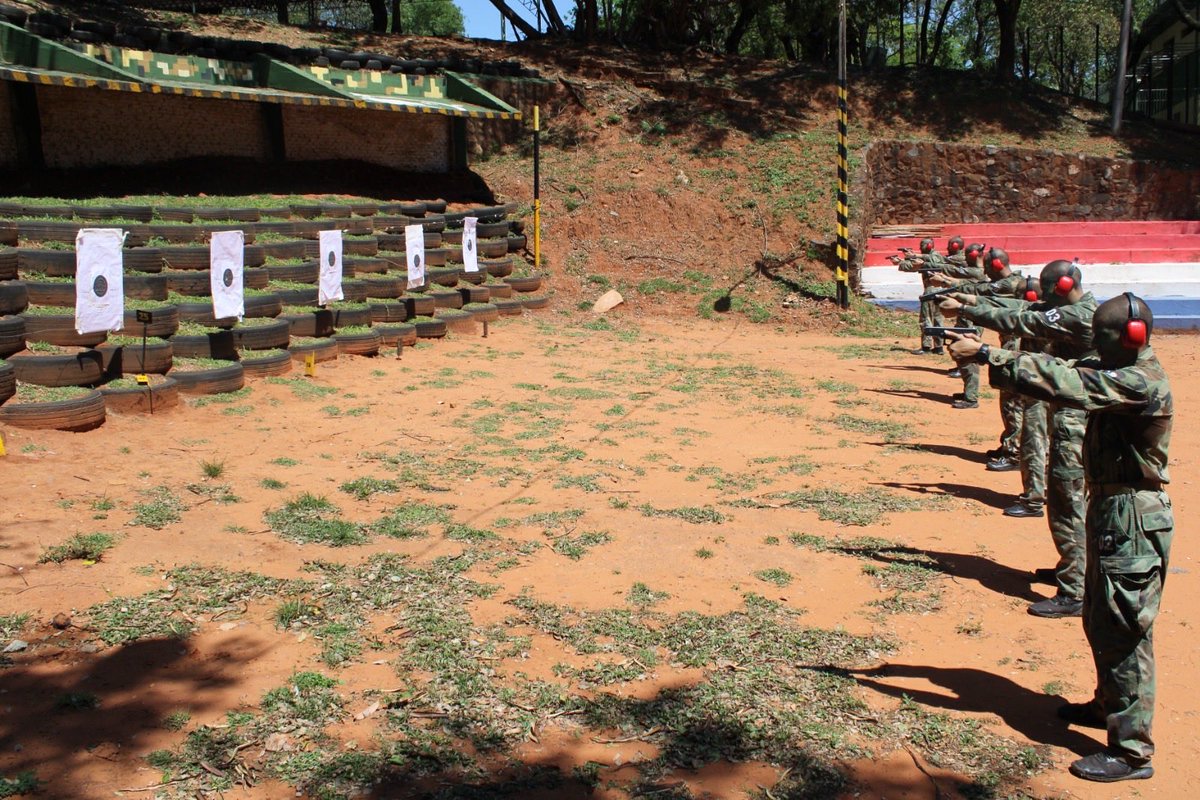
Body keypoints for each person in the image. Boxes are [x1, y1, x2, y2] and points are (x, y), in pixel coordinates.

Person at [945, 293, 1172, 783]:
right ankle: (1107, 706)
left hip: (1133, 516)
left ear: (1127, 340)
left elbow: (1069, 381)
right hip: (1113, 511)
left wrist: (988, 355)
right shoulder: (1118, 362)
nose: (1093, 346)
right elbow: (1061, 363)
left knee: (1125, 630)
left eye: (1101, 338)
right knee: (1099, 615)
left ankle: (1133, 752)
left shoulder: (1139, 381)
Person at [939, 261, 1096, 617]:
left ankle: (1075, 591)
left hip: (1076, 419)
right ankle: (1073, 570)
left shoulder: (1078, 316)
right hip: (1069, 413)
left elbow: (1027, 320)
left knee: (1067, 502)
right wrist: (971, 300)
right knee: (1068, 501)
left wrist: (966, 310)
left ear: (1064, 285)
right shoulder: (1071, 308)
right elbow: (1024, 309)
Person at [929, 245, 1025, 425]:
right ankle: (1010, 444)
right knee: (1008, 394)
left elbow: (980, 289)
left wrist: (949, 286)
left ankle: (1013, 448)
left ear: (996, 265)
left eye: (988, 267)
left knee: (1013, 396)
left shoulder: (1010, 283)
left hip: (1016, 345)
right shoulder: (1011, 282)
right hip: (1010, 341)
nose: (985, 270)